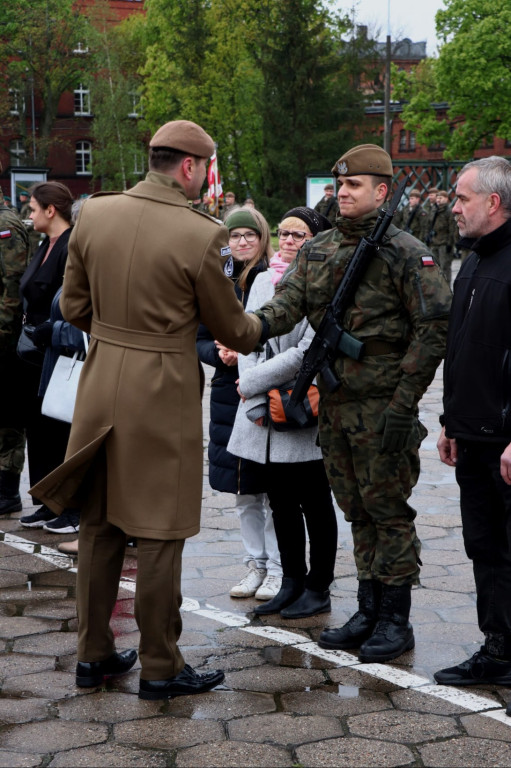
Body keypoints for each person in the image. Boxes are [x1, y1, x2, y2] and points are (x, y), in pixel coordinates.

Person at [30, 119, 263, 700]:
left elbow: (74, 305)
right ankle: (161, 665)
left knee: (100, 524)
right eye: (205, 168)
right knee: (161, 531)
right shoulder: (200, 233)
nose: (205, 178)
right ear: (189, 166)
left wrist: (118, 334)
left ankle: (93, 655)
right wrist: (265, 321)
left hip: (101, 377)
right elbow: (232, 326)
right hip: (161, 390)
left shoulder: (95, 214)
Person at [253, 144, 451, 662]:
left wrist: (405, 403)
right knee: (357, 512)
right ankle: (367, 609)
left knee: (388, 512)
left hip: (386, 405)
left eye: (354, 185)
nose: (342, 193)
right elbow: (285, 304)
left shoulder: (407, 252)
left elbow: (433, 330)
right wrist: (247, 327)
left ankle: (395, 619)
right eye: (339, 186)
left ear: (381, 191)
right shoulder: (319, 249)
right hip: (338, 404)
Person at [228, 206, 338, 619]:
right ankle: (290, 581)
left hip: (302, 410)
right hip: (260, 414)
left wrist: (254, 382)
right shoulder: (260, 280)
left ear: (316, 241)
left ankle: (318, 586)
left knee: (315, 503)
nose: (289, 240)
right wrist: (253, 390)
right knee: (280, 502)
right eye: (284, 232)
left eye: (300, 234)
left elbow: (306, 350)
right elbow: (247, 336)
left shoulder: (324, 282)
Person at [435, 156, 511, 687]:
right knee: (483, 545)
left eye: (462, 198)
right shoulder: (475, 263)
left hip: (506, 441)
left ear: (493, 202)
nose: (453, 208)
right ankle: (498, 646)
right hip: (473, 433)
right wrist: (449, 421)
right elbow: (462, 349)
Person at [197, 206, 282, 601]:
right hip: (229, 393)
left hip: (268, 390)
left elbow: (286, 335)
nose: (243, 241)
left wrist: (246, 353)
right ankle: (255, 564)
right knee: (244, 489)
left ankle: (280, 567)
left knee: (273, 488)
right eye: (235, 236)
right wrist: (220, 354)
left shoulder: (275, 278)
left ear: (263, 239)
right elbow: (196, 336)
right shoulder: (217, 282)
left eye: (250, 235)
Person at [17, 182, 79, 535]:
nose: (30, 214)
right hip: (35, 354)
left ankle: (71, 505)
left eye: (33, 208)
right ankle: (48, 501)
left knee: (61, 429)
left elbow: (74, 302)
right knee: (38, 428)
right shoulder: (45, 243)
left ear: (51, 210)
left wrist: (51, 331)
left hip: (60, 352)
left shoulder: (71, 246)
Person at [0, 186, 30, 516]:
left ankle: (7, 491)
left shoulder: (5, 225)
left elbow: (12, 288)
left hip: (5, 340)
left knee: (7, 417)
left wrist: (3, 336)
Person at [424, 189, 457, 286]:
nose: (438, 200)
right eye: (437, 198)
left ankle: (446, 286)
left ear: (446, 199)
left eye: (441, 198)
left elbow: (452, 229)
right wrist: (427, 237)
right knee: (434, 266)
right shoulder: (434, 210)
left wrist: (450, 244)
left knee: (445, 267)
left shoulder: (449, 212)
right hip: (434, 242)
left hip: (444, 243)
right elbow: (428, 224)